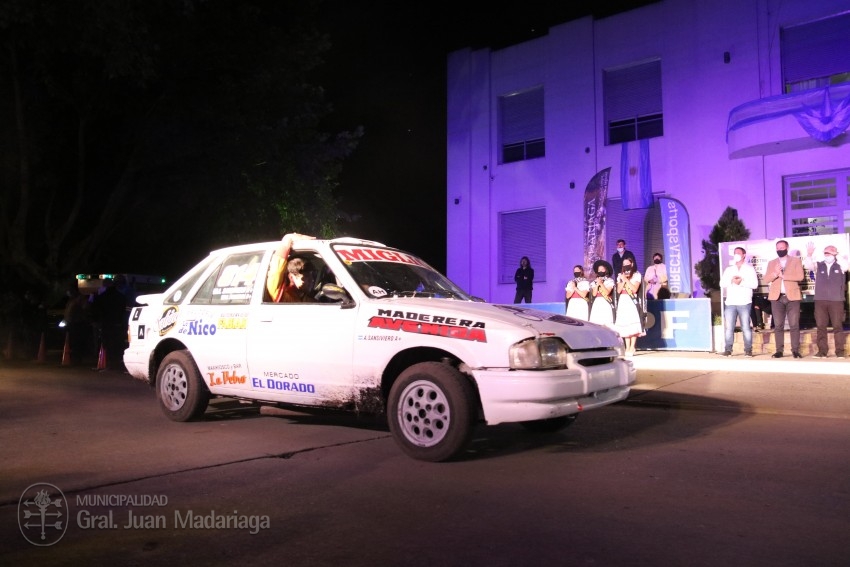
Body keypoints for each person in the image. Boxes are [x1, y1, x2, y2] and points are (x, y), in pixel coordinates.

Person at [765, 239, 805, 359]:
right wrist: (775, 274)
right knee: (778, 326)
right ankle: (779, 351)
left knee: (794, 325)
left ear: (787, 248)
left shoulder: (796, 261)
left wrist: (784, 276)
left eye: (782, 248)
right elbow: (766, 279)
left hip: (792, 297)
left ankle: (795, 350)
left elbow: (800, 276)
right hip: (776, 298)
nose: (779, 250)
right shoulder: (772, 263)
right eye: (777, 248)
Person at [719, 246, 758, 357]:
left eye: (738, 253)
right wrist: (731, 280)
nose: (736, 255)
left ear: (744, 255)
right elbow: (722, 284)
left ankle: (748, 350)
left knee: (745, 327)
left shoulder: (749, 269)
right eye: (734, 253)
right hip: (730, 302)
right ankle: (728, 350)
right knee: (729, 328)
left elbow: (755, 285)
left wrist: (741, 282)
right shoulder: (729, 269)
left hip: (744, 301)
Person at [812, 245, 846, 359]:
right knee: (821, 326)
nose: (827, 255)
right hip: (820, 300)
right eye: (825, 252)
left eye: (830, 253)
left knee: (837, 326)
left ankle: (840, 351)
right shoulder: (819, 265)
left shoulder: (840, 265)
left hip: (836, 300)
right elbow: (808, 265)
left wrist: (837, 255)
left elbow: (846, 266)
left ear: (835, 254)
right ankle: (822, 352)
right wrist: (809, 254)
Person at [91, 277, 129, 370]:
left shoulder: (103, 296)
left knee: (107, 344)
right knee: (118, 344)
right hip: (118, 324)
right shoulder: (121, 296)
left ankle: (110, 364)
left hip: (107, 324)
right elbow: (123, 310)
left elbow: (96, 309)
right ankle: (117, 364)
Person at [266, 233, 315, 302]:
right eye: (306, 276)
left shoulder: (304, 298)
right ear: (291, 277)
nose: (311, 280)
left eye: (311, 276)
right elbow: (276, 270)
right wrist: (288, 238)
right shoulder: (283, 297)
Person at [613, 258, 645, 357]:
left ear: (632, 264)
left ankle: (632, 347)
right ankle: (627, 347)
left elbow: (634, 289)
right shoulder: (620, 276)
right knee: (625, 323)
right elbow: (618, 290)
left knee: (632, 321)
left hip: (632, 300)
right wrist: (622, 279)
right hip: (623, 299)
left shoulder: (637, 275)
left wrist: (627, 279)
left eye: (627, 263)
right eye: (624, 263)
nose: (626, 265)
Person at [63, 281, 92, 365]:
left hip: (78, 324)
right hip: (72, 324)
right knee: (73, 342)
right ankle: (75, 358)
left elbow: (85, 308)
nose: (68, 291)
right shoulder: (71, 300)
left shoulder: (80, 299)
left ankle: (78, 359)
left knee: (77, 342)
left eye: (70, 290)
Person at [588, 260, 616, 328]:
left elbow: (607, 293)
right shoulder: (594, 282)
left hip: (606, 303)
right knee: (596, 323)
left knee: (606, 324)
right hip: (597, 303)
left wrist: (601, 283)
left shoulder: (609, 281)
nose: (600, 271)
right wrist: (597, 284)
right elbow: (594, 294)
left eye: (602, 269)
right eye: (599, 270)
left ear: (605, 270)